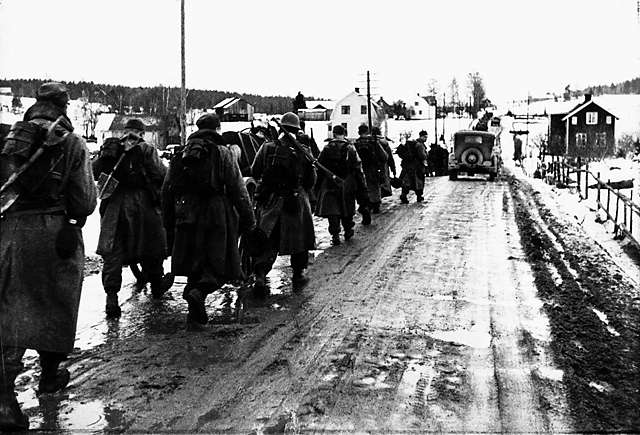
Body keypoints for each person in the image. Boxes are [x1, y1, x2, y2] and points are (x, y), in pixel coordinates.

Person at [0, 82, 97, 431]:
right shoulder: (71, 142)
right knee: (54, 307)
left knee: (11, 311)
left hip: (9, 234)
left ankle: (5, 401)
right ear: (63, 106)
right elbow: (85, 200)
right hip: (54, 237)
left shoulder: (10, 139)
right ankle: (50, 375)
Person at [162, 113, 256, 327]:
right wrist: (249, 220)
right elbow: (238, 189)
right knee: (219, 263)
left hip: (186, 213)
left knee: (194, 261)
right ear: (217, 128)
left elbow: (166, 189)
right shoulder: (223, 152)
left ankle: (194, 316)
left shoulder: (181, 153)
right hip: (216, 213)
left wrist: (168, 221)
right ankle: (199, 292)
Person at [92, 118, 171, 318]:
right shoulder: (147, 149)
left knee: (114, 250)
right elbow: (161, 174)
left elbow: (94, 170)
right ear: (141, 133)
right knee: (152, 243)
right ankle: (156, 284)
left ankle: (111, 298)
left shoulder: (112, 147)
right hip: (142, 204)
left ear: (125, 131)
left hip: (114, 205)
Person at [251, 112, 316, 297]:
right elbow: (311, 181)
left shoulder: (267, 147)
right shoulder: (303, 150)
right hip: (295, 201)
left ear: (281, 129)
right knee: (300, 240)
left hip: (271, 202)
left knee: (268, 239)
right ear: (297, 129)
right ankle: (298, 274)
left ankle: (260, 275)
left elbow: (256, 171)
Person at [314, 125, 367, 245]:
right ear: (344, 133)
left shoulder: (327, 148)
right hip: (347, 183)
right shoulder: (350, 148)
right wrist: (361, 185)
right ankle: (348, 229)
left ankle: (335, 235)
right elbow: (358, 167)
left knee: (333, 210)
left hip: (330, 183)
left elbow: (320, 167)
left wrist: (317, 186)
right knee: (347, 208)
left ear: (333, 134)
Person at [353, 124, 388, 214]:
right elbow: (384, 157)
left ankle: (365, 205)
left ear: (359, 132)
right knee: (374, 187)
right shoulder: (374, 142)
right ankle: (375, 205)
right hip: (373, 169)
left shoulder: (355, 144)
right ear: (368, 132)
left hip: (360, 170)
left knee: (362, 188)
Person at [398, 130, 428, 203]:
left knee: (407, 182)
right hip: (417, 167)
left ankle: (403, 195)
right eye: (425, 137)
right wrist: (426, 156)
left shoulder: (412, 144)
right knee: (419, 182)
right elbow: (422, 156)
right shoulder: (420, 145)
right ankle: (419, 196)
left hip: (408, 166)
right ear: (421, 136)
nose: (426, 139)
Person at [372, 126, 396, 198]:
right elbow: (390, 158)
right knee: (383, 182)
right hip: (383, 166)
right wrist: (393, 169)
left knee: (374, 185)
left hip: (372, 166)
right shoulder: (384, 142)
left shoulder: (369, 142)